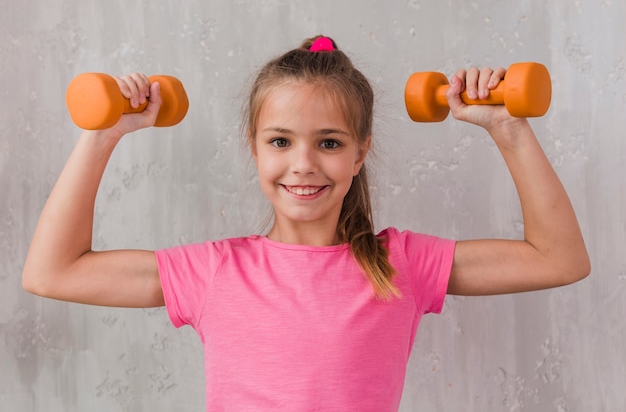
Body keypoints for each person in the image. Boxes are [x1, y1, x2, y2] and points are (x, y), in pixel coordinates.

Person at [22, 36, 590, 411]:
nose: (303, 164)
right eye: (280, 141)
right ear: (255, 149)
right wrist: (103, 135)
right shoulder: (215, 271)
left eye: (329, 143)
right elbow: (53, 272)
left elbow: (558, 258)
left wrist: (508, 129)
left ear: (360, 153)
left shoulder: (401, 264)